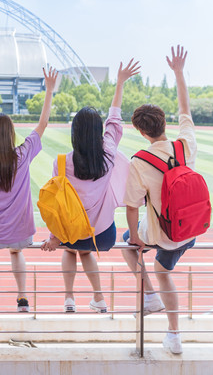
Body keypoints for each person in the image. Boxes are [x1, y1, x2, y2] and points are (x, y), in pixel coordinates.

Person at [41, 59, 141, 314]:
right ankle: (99, 297)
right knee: (84, 250)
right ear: (98, 132)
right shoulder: (107, 154)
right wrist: (119, 82)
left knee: (70, 247)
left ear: (74, 133)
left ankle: (69, 299)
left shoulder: (61, 162)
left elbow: (57, 205)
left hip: (70, 232)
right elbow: (114, 119)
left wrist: (55, 237)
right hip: (103, 235)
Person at [0, 67, 58, 320]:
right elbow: (43, 123)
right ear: (10, 134)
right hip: (21, 233)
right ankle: (23, 298)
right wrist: (49, 90)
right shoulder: (22, 155)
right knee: (17, 252)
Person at [121, 45, 195, 355]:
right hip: (191, 227)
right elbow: (186, 111)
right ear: (164, 123)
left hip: (164, 235)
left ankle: (172, 331)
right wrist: (178, 73)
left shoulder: (139, 161)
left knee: (130, 245)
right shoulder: (184, 145)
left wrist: (137, 236)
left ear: (140, 131)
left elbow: (131, 205)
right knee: (161, 260)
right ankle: (163, 317)